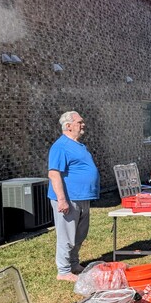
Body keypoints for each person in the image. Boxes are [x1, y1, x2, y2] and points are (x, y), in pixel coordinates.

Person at [47, 111, 100, 282]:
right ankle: (63, 271)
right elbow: (54, 174)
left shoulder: (78, 145)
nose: (83, 124)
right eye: (80, 122)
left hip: (82, 197)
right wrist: (62, 199)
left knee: (80, 234)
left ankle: (74, 264)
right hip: (69, 198)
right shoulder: (60, 146)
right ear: (68, 125)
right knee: (67, 236)